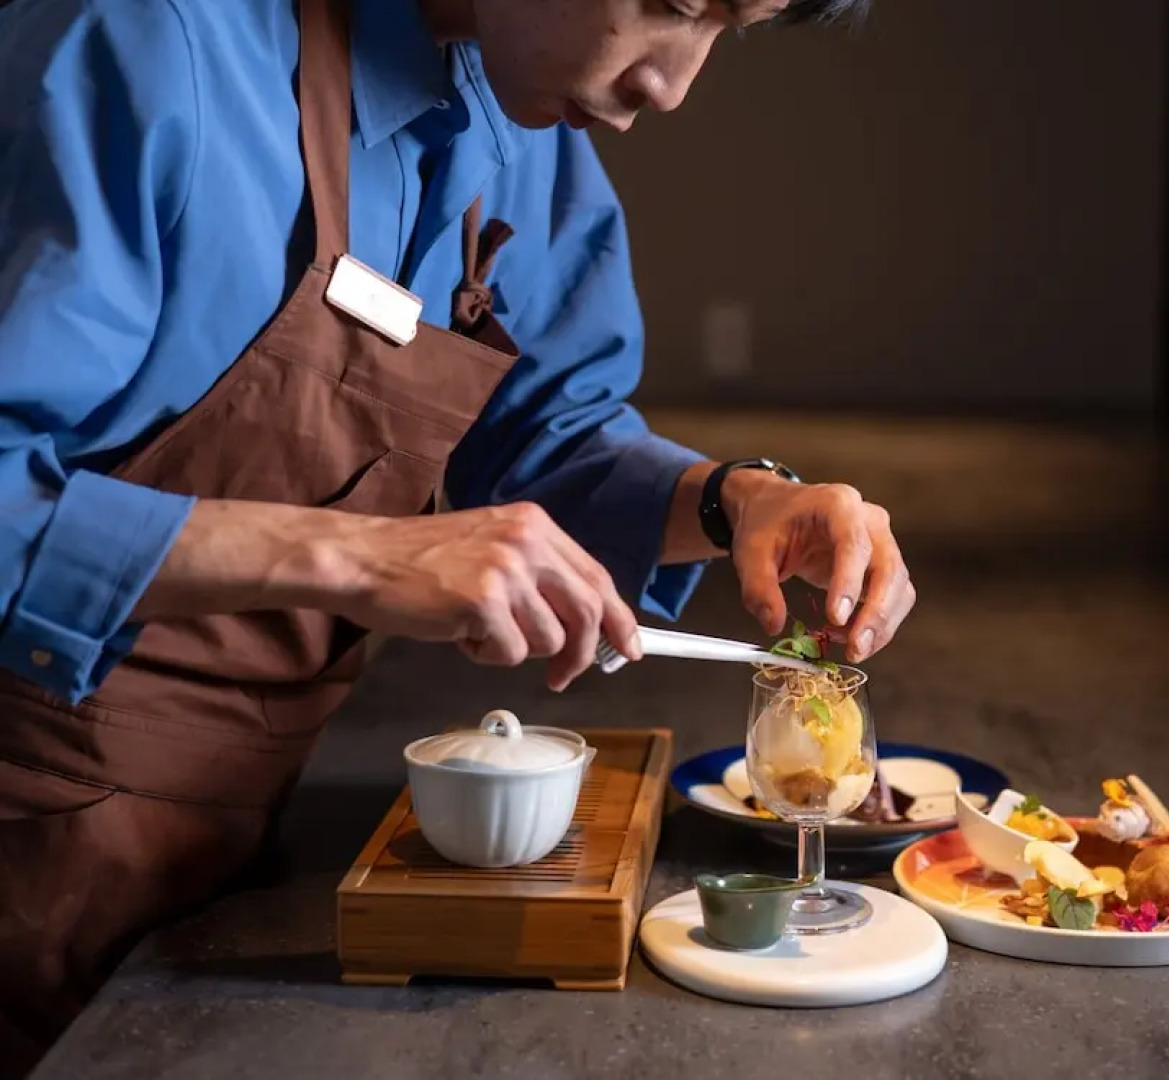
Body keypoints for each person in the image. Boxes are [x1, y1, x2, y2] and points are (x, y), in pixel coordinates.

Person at [0, 0, 914, 1071]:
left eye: (730, 29)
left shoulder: (501, 102)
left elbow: (542, 438)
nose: (672, 84)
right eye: (673, 4)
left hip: (232, 852)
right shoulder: (145, 43)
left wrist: (734, 500)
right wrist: (346, 554)